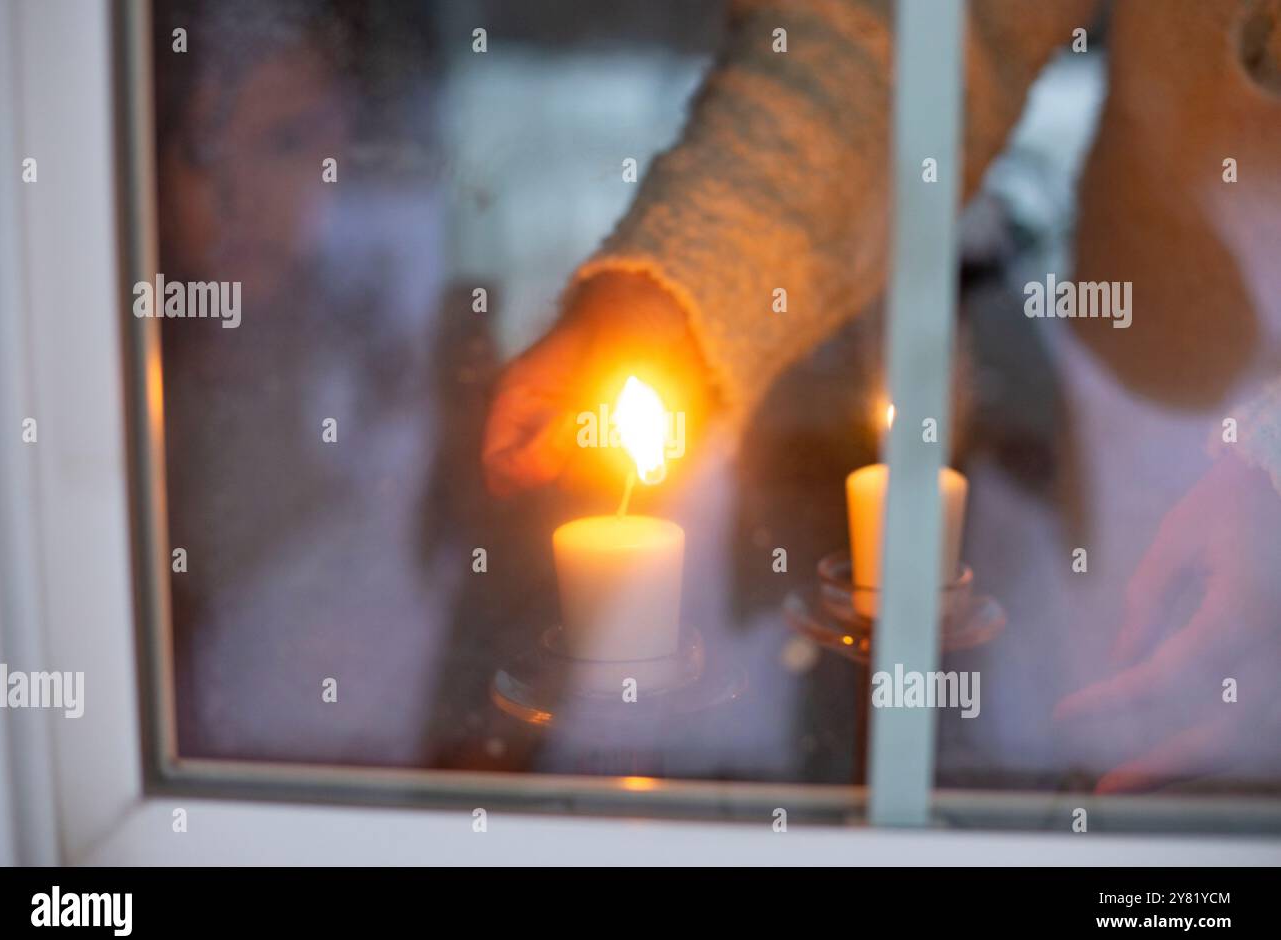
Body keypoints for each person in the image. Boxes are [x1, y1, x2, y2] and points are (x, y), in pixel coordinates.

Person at [483, 0, 1281, 791]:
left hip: (1224, 458)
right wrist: (677, 289)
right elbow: (921, 27)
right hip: (1171, 382)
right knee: (1133, 783)